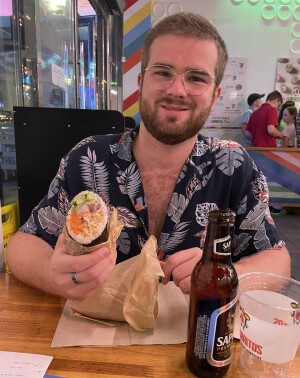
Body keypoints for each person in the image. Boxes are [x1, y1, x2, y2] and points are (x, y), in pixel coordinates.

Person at [7, 12, 290, 300]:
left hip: (197, 337)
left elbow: (277, 260)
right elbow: (22, 245)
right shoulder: (88, 157)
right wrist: (54, 276)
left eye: (196, 78)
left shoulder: (234, 165)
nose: (176, 90)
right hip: (95, 335)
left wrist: (225, 276)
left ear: (215, 95)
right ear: (142, 82)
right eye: (163, 72)